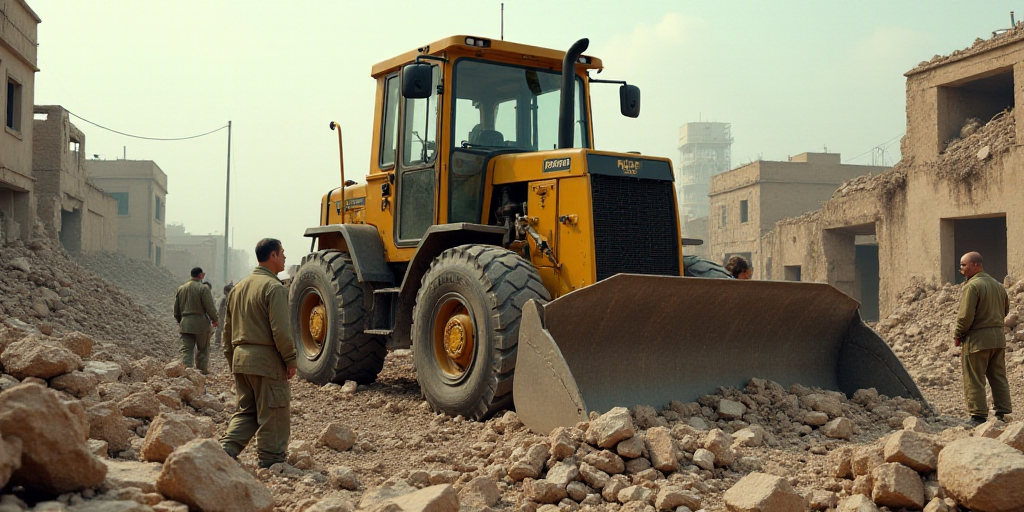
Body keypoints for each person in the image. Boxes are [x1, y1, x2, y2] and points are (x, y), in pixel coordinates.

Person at [220, 238, 296, 468]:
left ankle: (226, 451)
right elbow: (280, 330)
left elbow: (227, 332)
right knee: (274, 412)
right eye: (282, 253)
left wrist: (233, 360)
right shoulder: (274, 288)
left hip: (242, 359)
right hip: (266, 361)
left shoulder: (238, 288)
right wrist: (290, 360)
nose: (284, 257)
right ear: (272, 256)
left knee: (247, 411)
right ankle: (272, 463)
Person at [954, 251, 1011, 424]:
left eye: (964, 265)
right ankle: (1003, 412)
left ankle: (978, 415)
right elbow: (1005, 311)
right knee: (998, 376)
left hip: (977, 339)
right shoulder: (998, 285)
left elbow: (965, 316)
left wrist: (958, 333)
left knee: (974, 377)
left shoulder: (972, 286)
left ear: (976, 265)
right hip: (998, 339)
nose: (961, 269)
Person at [173, 267, 218, 374]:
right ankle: (201, 373)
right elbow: (210, 307)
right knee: (203, 349)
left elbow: (176, 310)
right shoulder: (203, 288)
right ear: (201, 275)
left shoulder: (181, 288)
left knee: (186, 350)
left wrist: (182, 321)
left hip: (186, 324)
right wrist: (214, 319)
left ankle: (186, 373)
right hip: (201, 324)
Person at [214, 282, 234, 348]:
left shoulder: (228, 298)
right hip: (224, 316)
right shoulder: (224, 299)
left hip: (227, 316)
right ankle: (218, 342)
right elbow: (221, 310)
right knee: (221, 328)